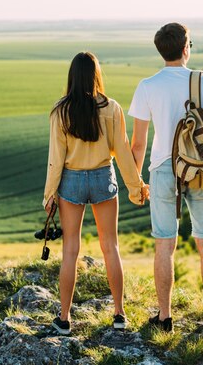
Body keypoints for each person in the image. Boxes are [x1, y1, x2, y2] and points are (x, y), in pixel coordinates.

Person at [129, 23, 203, 332]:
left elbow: (138, 144)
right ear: (186, 48)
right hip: (201, 168)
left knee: (164, 244)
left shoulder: (148, 86)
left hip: (162, 168)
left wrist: (135, 183)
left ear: (162, 51)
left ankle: (165, 317)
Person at [43, 51, 149, 336]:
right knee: (111, 247)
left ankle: (64, 319)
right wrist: (137, 188)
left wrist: (49, 195)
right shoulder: (111, 107)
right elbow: (124, 153)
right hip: (104, 177)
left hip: (71, 181)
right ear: (96, 75)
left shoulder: (60, 111)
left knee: (70, 251)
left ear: (72, 77)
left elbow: (56, 157)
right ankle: (119, 314)